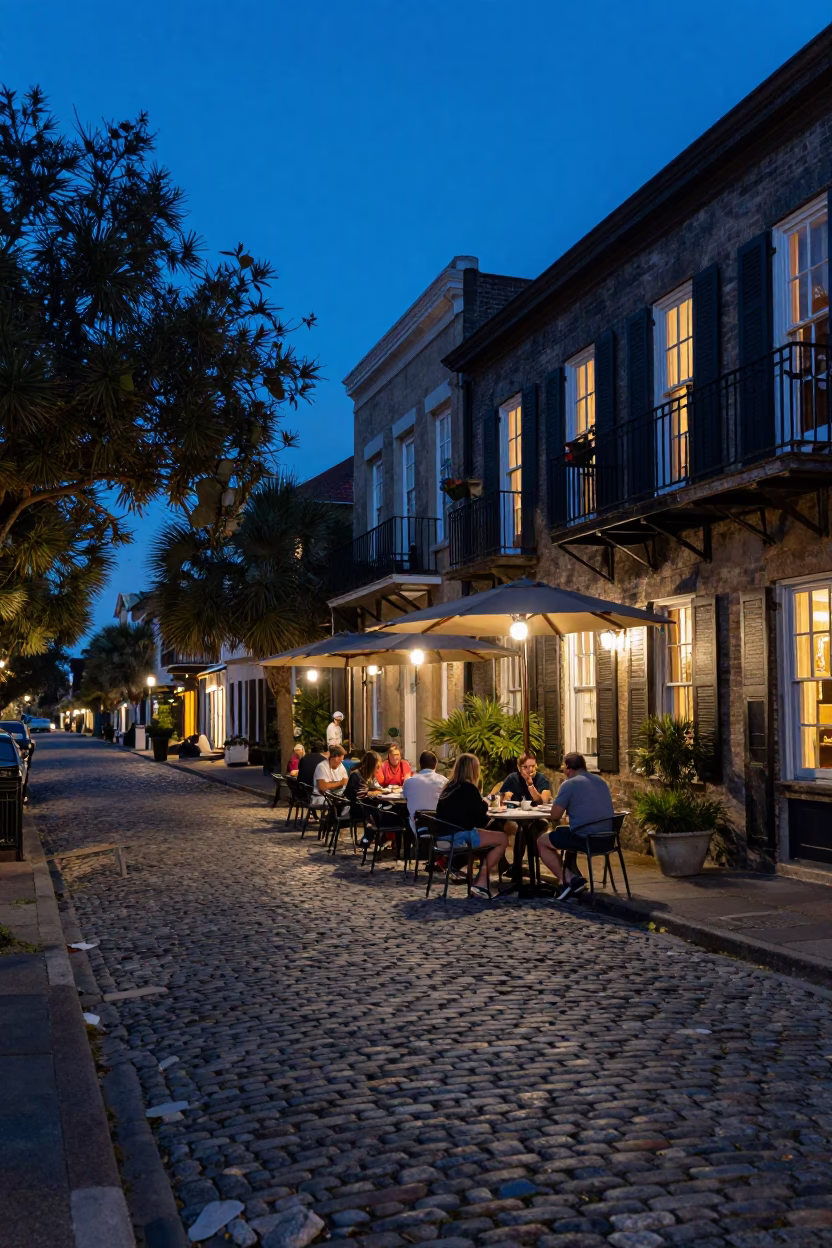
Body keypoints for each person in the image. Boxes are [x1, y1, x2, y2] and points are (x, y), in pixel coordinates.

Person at [536, 752, 615, 900]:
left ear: (568, 768)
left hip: (585, 839)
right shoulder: (601, 781)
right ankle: (574, 875)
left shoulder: (569, 784)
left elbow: (555, 816)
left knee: (542, 842)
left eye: (563, 769)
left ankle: (567, 879)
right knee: (564, 831)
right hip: (608, 839)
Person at [434, 753, 508, 901]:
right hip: (456, 837)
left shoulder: (449, 787)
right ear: (472, 770)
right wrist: (485, 804)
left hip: (441, 836)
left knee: (490, 835)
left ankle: (476, 877)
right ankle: (481, 883)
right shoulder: (469, 789)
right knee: (502, 838)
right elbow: (479, 820)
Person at [403, 750, 447, 831]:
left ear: (420, 764)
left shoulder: (409, 782)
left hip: (416, 827)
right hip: (439, 827)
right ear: (436, 765)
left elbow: (406, 799)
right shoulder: (444, 782)